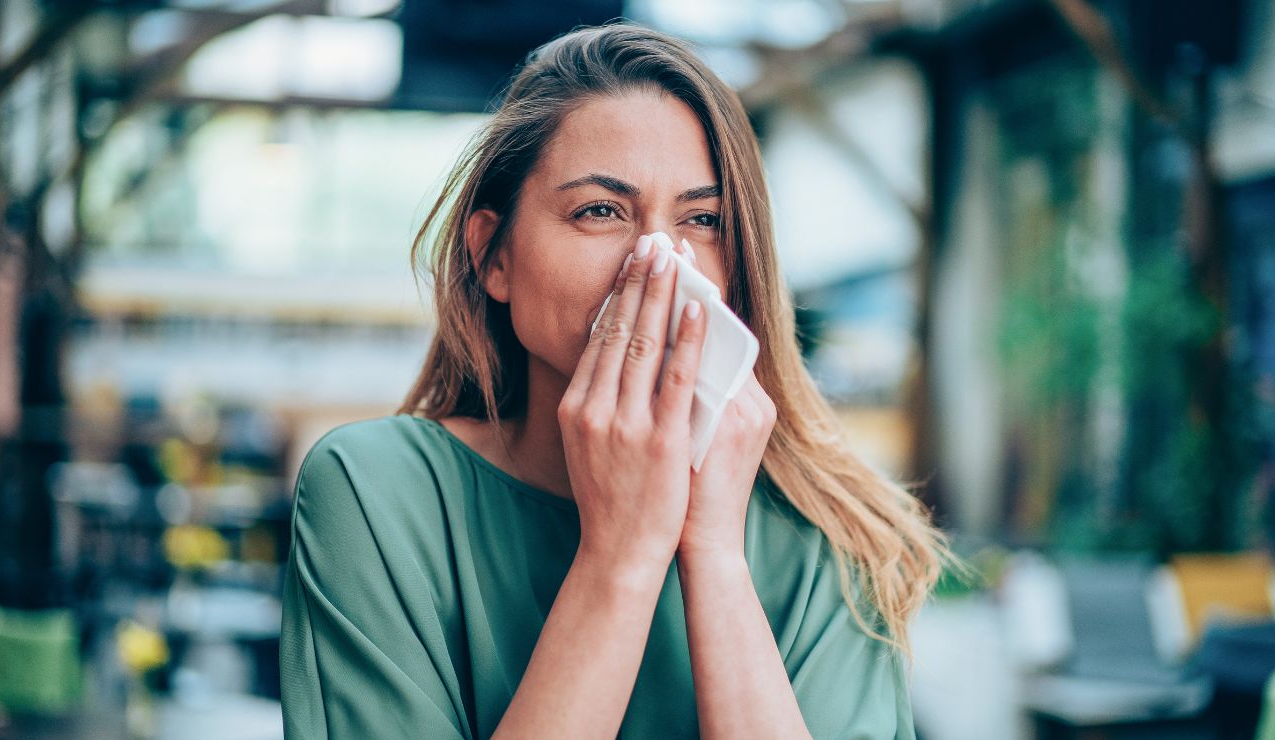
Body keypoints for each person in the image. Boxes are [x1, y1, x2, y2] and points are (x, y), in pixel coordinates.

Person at [279, 21, 952, 739]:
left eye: (702, 219)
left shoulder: (826, 536)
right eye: (600, 211)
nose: (661, 263)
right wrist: (619, 556)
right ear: (492, 256)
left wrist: (715, 556)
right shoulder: (375, 494)